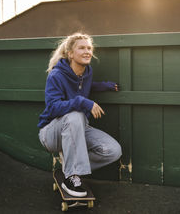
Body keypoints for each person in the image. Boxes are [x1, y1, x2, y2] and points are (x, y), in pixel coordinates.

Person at [37, 33, 122, 197]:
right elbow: (53, 108)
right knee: (76, 114)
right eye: (81, 48)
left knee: (113, 151)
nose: (87, 51)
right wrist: (83, 102)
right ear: (70, 54)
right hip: (51, 133)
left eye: (89, 48)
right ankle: (71, 177)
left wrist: (105, 86)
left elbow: (83, 85)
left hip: (78, 128)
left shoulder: (87, 72)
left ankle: (70, 166)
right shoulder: (56, 75)